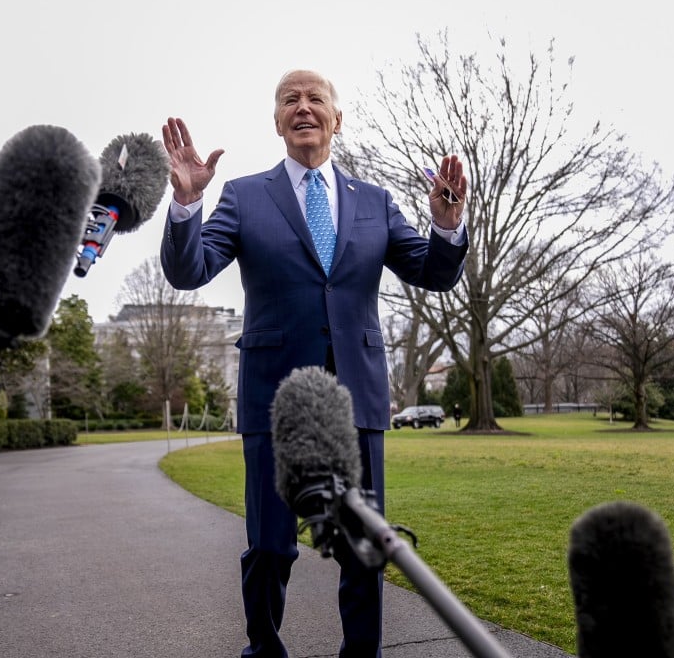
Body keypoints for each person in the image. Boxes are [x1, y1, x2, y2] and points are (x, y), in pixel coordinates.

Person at [159, 69, 468, 658]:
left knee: (364, 543)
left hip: (359, 395)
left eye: (315, 99)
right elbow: (189, 270)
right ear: (276, 121)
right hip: (276, 398)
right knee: (272, 546)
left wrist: (446, 225)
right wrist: (186, 201)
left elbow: (433, 272)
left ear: (336, 118)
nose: (303, 108)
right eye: (289, 100)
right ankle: (264, 649)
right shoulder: (247, 196)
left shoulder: (375, 202)